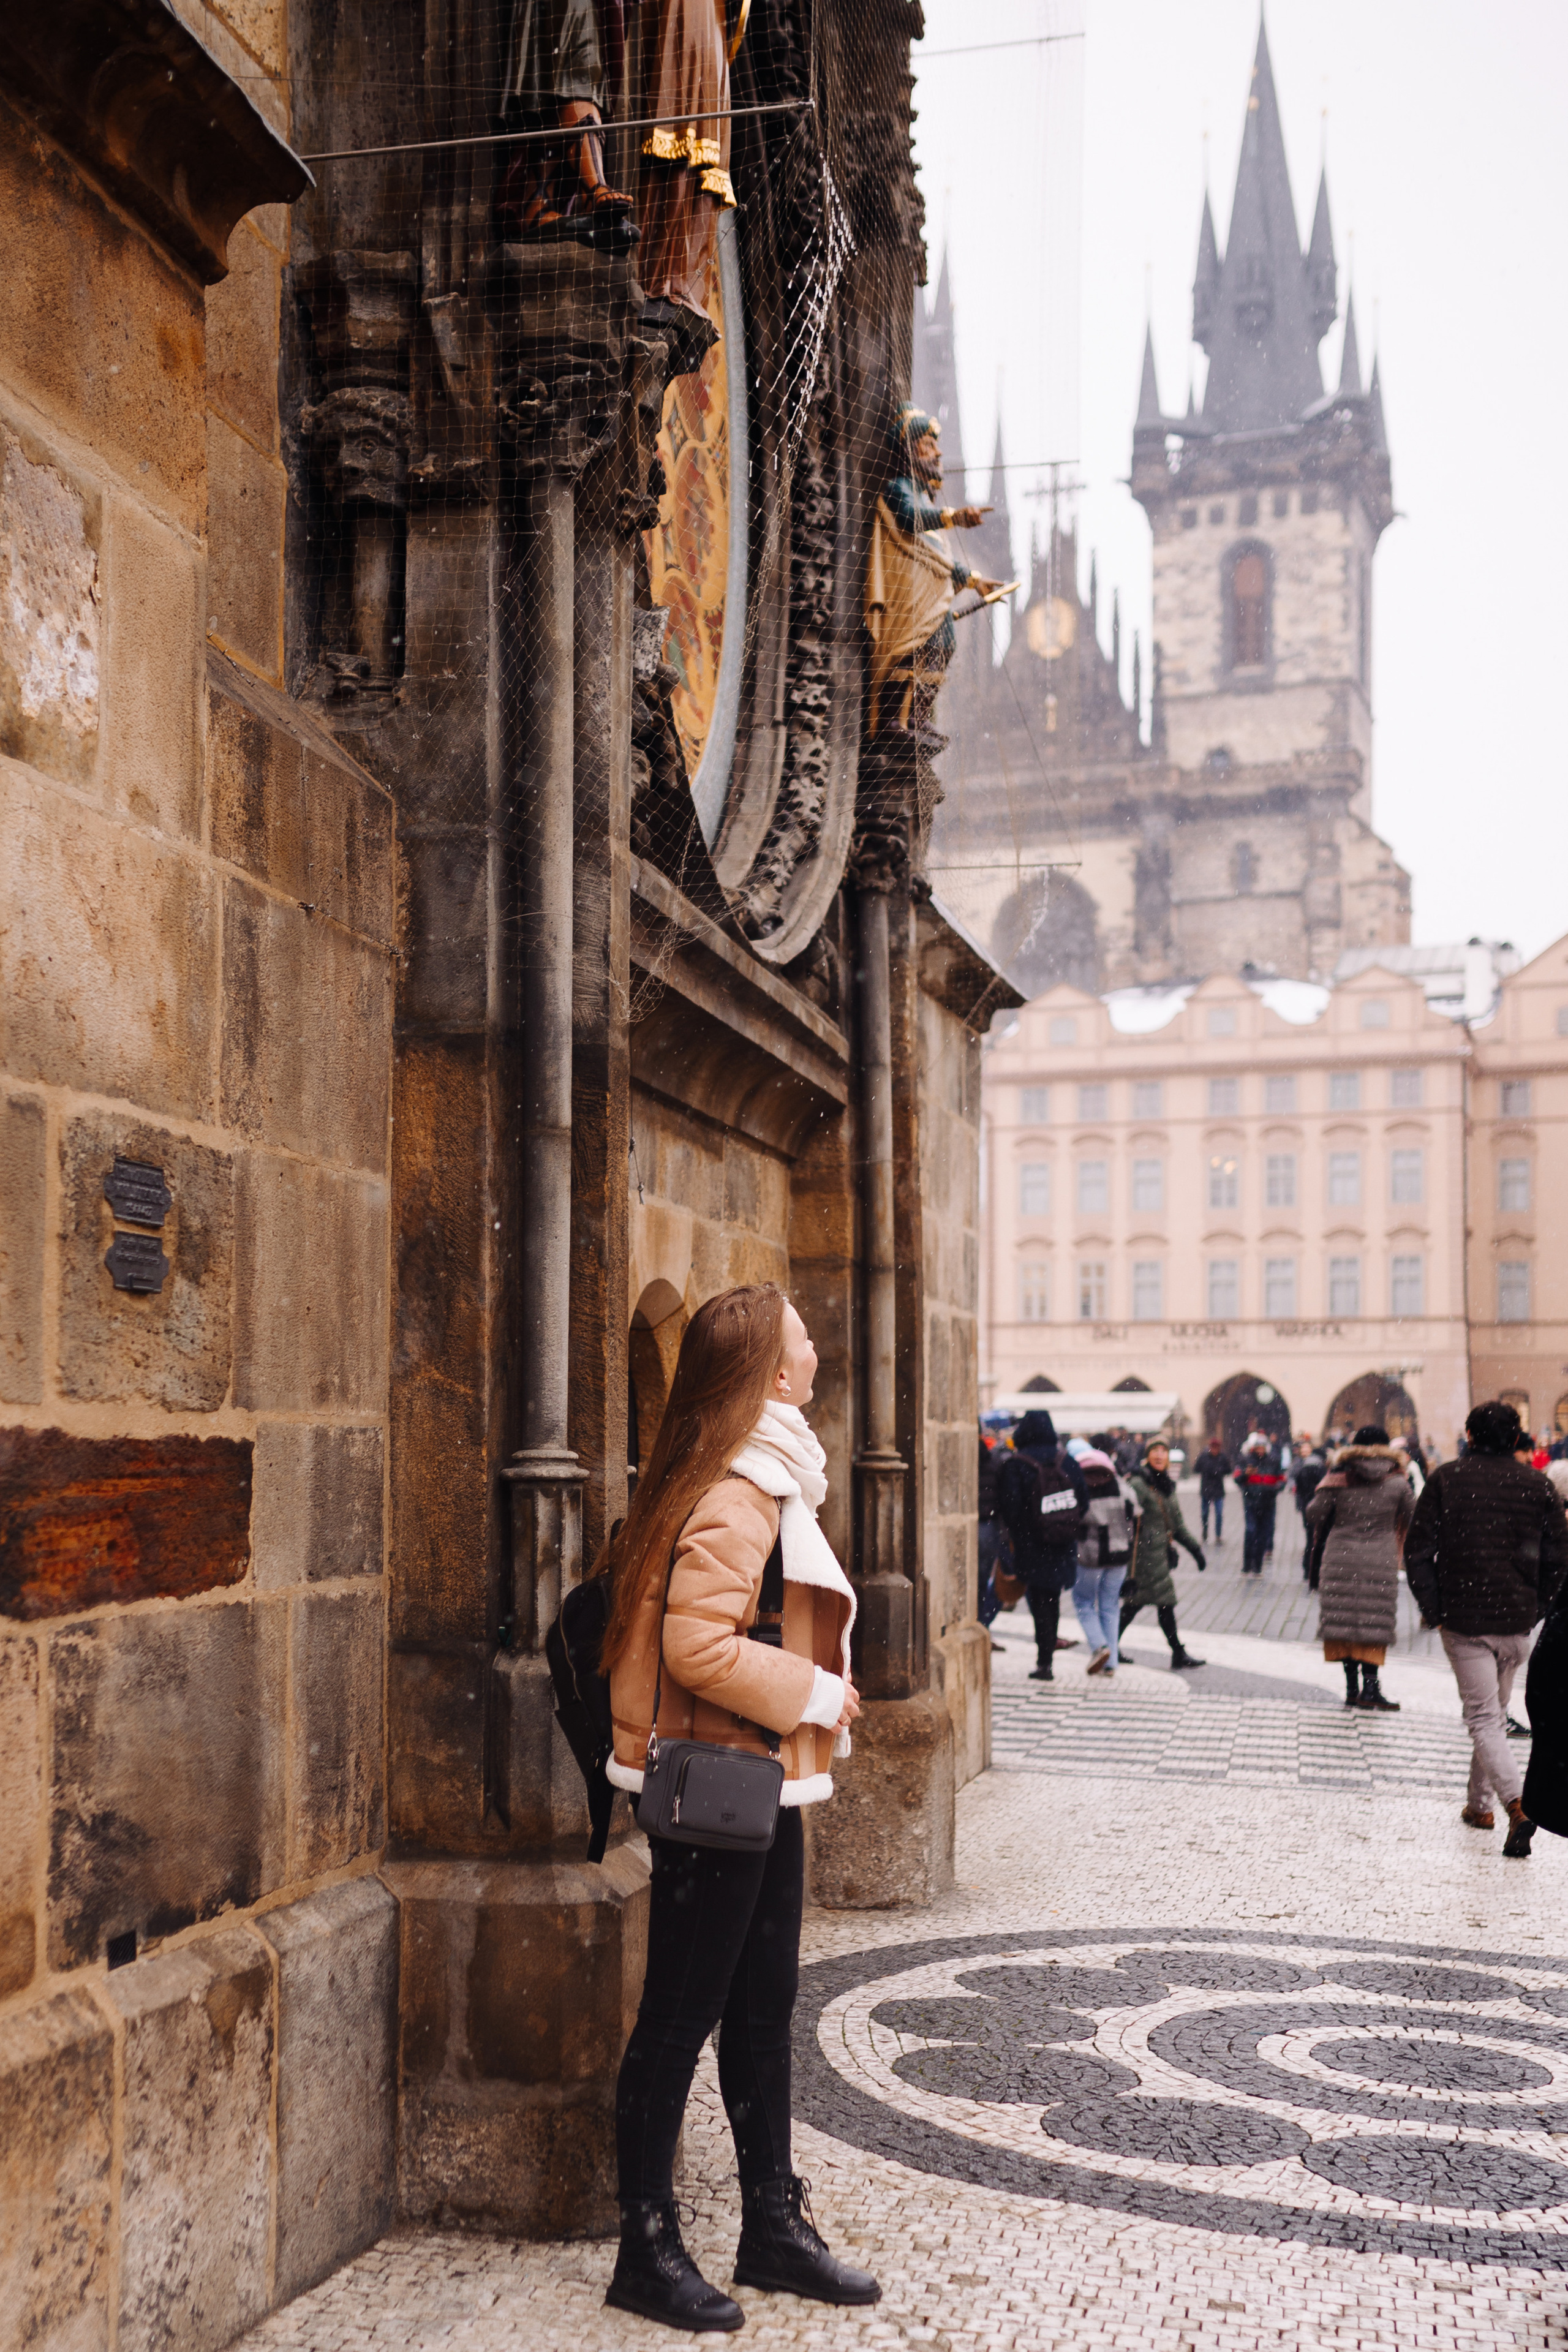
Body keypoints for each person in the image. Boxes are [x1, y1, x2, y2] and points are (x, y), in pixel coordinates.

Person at [598, 1284, 880, 2327]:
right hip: (719, 1789)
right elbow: (694, 1646)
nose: (816, 1353)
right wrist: (813, 1693)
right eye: (804, 1341)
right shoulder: (738, 1489)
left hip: (762, 1782)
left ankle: (772, 2224)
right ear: (772, 1373)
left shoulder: (763, 1475)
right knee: (679, 2018)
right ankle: (647, 2246)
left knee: (761, 2011)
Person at [1405, 1398, 1568, 1860]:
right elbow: (1559, 1559)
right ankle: (1479, 1805)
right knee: (1493, 1712)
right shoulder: (1537, 1485)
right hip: (1516, 1620)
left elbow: (1418, 1550)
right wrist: (1537, 1607)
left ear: (1470, 1436)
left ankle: (1518, 1807)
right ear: (1515, 1438)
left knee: (1483, 1717)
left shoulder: (1447, 1479)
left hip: (1466, 1619)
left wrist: (1434, 1606)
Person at [1304, 1425, 1414, 1712]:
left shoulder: (1339, 1477)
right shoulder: (1398, 1481)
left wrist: (1327, 1487)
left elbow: (1314, 1514)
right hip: (1381, 1559)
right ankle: (1372, 1689)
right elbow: (1414, 1516)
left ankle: (1352, 1690)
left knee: (1344, 1622)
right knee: (1373, 1622)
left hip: (1341, 1557)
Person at [993, 1410, 1088, 1681]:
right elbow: (1082, 1500)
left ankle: (1044, 1660)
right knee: (1052, 1599)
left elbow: (1010, 1508)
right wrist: (1062, 1525)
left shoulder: (1018, 1463)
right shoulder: (1067, 1461)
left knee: (1038, 1600)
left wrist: (1025, 1532)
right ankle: (1047, 1655)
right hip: (1062, 1545)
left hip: (1032, 1547)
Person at [1120, 1438, 1207, 1669]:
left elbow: (1176, 1525)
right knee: (1156, 1603)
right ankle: (1177, 1653)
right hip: (1143, 1557)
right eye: (1155, 1451)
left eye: (1163, 1451)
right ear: (1147, 1456)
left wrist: (1195, 1549)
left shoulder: (1166, 1484)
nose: (1159, 1455)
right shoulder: (1139, 1484)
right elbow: (1126, 1516)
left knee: (1139, 1604)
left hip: (1158, 1555)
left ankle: (1109, 1647)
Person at [1069, 1440, 1137, 1677]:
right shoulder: (1121, 1485)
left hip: (1089, 1557)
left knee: (1083, 1602)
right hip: (1119, 1555)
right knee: (1110, 1606)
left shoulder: (1078, 1486)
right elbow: (1136, 1513)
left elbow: (1072, 1519)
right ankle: (1112, 1663)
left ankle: (1100, 1647)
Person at [1234, 1430, 1286, 1575]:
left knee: (1263, 1534)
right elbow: (1237, 1479)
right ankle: (1247, 1563)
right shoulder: (1245, 1460)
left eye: (1262, 1447)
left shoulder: (1274, 1461)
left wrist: (1276, 1488)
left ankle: (1257, 1565)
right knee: (1251, 1532)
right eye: (1258, 1447)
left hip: (1268, 1503)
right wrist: (1246, 1474)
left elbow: (1282, 1479)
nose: (1260, 1450)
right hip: (1250, 1501)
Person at [1196, 1436, 1231, 1545]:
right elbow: (1197, 1469)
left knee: (1219, 1514)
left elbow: (1229, 1470)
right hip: (1206, 1489)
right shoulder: (1203, 1457)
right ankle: (1205, 1531)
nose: (1215, 1450)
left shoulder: (1223, 1457)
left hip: (1218, 1490)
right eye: (1213, 1447)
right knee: (1205, 1513)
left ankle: (1218, 1535)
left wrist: (1219, 1471)